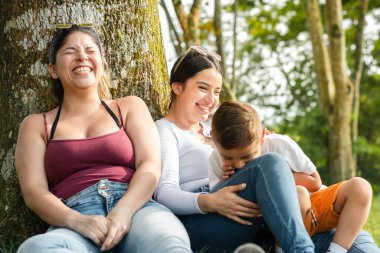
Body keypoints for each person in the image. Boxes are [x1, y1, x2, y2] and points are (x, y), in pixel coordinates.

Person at [15, 24, 191, 253]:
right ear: (53, 70)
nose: (81, 57)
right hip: (74, 217)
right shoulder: (37, 125)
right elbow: (34, 192)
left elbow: (150, 166)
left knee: (168, 243)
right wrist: (77, 220)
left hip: (137, 208)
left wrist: (124, 211)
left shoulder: (128, 107)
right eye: (70, 51)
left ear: (103, 63)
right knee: (36, 248)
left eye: (90, 50)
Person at [154, 45, 315, 253]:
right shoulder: (166, 130)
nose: (212, 99)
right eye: (203, 88)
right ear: (177, 87)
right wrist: (209, 201)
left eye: (217, 91)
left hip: (249, 212)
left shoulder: (218, 128)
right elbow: (164, 193)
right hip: (201, 219)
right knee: (270, 163)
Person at [208, 100, 378, 253]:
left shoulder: (280, 144)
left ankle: (336, 251)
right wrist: (228, 182)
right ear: (215, 143)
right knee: (299, 196)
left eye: (247, 158)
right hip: (274, 221)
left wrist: (274, 180)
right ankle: (283, 248)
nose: (238, 164)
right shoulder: (216, 161)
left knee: (360, 187)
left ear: (261, 138)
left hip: (314, 207)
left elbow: (315, 181)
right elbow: (224, 208)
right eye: (229, 158)